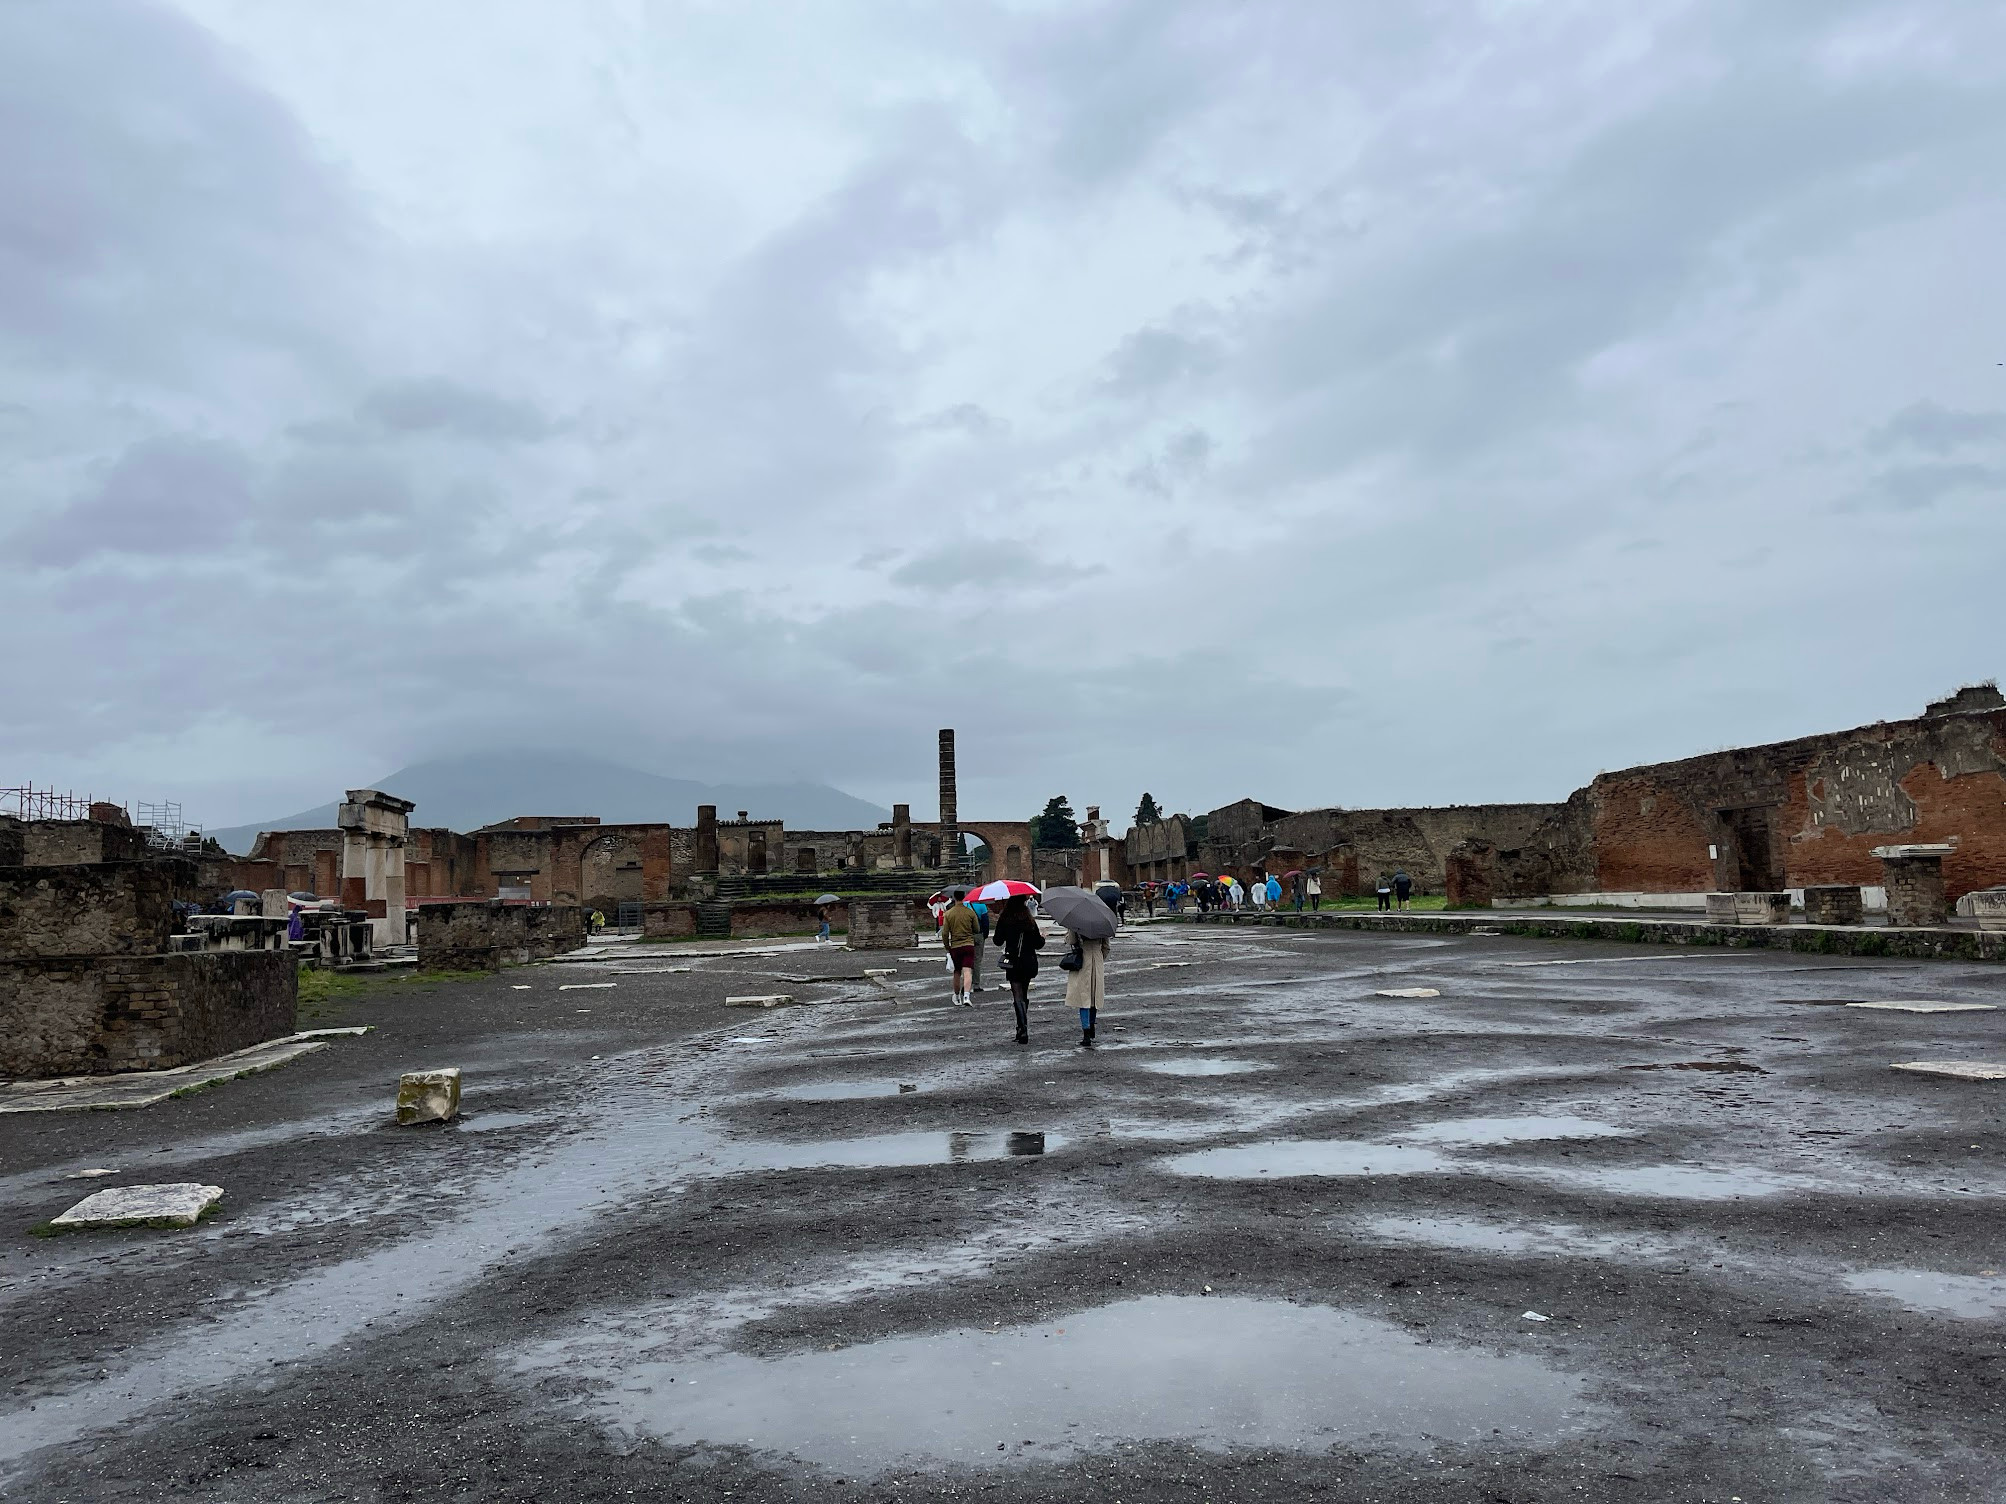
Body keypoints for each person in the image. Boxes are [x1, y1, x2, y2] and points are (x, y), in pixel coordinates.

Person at [993, 894, 1045, 1045]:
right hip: (1028, 960)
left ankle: (1022, 1029)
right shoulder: (1029, 920)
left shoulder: (1005, 918)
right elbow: (1038, 943)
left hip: (1013, 960)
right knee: (1025, 993)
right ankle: (1022, 1027)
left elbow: (997, 941)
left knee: (1017, 994)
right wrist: (1042, 937)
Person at [1063, 921, 1109, 1048]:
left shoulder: (1077, 920)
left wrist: (1068, 932)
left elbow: (1071, 940)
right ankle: (1092, 1026)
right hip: (1097, 959)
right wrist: (1099, 957)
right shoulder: (1101, 921)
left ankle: (1086, 1033)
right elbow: (1106, 947)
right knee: (1094, 995)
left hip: (1083, 959)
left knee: (1083, 998)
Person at [941, 890, 979, 1007]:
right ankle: (967, 995)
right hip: (968, 944)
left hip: (955, 946)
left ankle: (957, 997)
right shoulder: (970, 912)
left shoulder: (948, 914)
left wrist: (948, 947)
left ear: (953, 898)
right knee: (967, 971)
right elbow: (977, 929)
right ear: (964, 897)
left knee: (957, 972)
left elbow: (945, 933)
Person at [969, 900, 990, 992]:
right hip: (979, 935)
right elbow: (986, 922)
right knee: (977, 960)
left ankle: (966, 984)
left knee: (967, 960)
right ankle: (976, 984)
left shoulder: (965, 905)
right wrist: (985, 935)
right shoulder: (982, 906)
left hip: (967, 935)